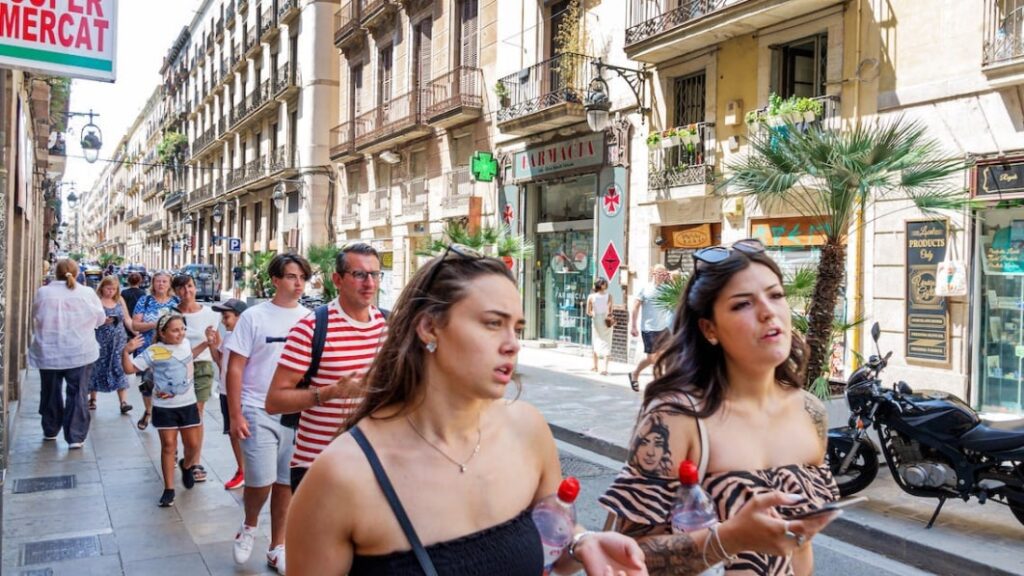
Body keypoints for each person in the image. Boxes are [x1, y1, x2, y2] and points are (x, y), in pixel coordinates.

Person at [285, 245, 646, 576]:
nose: (512, 345)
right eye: (492, 323)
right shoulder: (342, 476)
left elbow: (554, 544)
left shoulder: (527, 430)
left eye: (516, 327)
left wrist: (583, 543)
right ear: (429, 327)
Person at [599, 239, 841, 576]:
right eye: (742, 304)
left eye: (775, 295)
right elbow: (620, 555)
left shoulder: (810, 413)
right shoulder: (676, 418)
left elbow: (800, 549)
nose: (768, 311)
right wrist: (729, 538)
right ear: (709, 328)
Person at [266, 243, 388, 492]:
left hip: (375, 465)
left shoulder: (390, 325)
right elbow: (274, 401)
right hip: (320, 466)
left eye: (375, 274)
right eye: (359, 274)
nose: (370, 283)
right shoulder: (310, 329)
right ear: (337, 279)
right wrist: (331, 392)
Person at [225, 253, 313, 574]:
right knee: (260, 480)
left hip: (295, 411)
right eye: (291, 276)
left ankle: (278, 546)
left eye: (302, 277)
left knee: (285, 481)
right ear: (276, 280)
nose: (298, 283)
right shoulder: (253, 316)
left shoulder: (310, 318)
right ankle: (249, 525)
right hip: (257, 407)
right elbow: (235, 367)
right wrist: (235, 414)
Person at [122, 313, 217, 507]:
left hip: (188, 405)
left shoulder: (185, 345)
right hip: (164, 407)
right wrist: (126, 351)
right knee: (168, 446)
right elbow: (130, 369)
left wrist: (207, 343)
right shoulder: (154, 350)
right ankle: (169, 488)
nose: (180, 333)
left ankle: (187, 465)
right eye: (175, 330)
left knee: (192, 445)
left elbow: (191, 356)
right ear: (162, 333)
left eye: (182, 329)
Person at [28, 259, 107, 449]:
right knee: (78, 393)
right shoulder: (86, 293)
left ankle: (50, 428)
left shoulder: (43, 292)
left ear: (56, 272)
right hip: (79, 351)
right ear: (77, 272)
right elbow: (100, 318)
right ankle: (75, 436)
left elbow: (35, 316)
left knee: (50, 391)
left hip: (49, 352)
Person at [172, 273, 222, 483]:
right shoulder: (170, 314)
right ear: (175, 292)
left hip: (201, 367)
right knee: (177, 414)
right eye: (182, 288)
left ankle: (194, 461)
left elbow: (216, 342)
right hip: (175, 368)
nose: (187, 292)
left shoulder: (211, 313)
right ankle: (173, 448)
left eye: (190, 286)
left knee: (197, 414)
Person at [132, 271, 180, 430]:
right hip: (148, 349)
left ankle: (168, 412)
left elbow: (183, 325)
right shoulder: (144, 301)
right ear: (153, 283)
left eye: (164, 282)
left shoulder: (176, 302)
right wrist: (156, 325)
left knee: (170, 382)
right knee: (147, 383)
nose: (161, 284)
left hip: (171, 350)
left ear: (169, 284)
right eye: (158, 281)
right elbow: (135, 325)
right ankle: (148, 410)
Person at [210, 298, 249, 491]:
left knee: (243, 433)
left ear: (241, 317)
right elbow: (219, 362)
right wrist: (212, 344)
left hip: (241, 394)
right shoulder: (229, 337)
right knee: (232, 433)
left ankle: (247, 470)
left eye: (227, 317)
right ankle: (242, 469)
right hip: (226, 391)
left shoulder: (245, 338)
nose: (224, 321)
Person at [89, 275, 136, 414]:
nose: (111, 292)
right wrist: (102, 322)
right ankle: (92, 398)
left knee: (119, 367)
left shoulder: (120, 300)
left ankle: (123, 402)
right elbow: (89, 319)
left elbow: (127, 318)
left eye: (114, 289)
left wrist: (135, 331)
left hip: (118, 341)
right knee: (96, 367)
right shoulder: (96, 301)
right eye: (108, 288)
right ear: (102, 287)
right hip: (100, 340)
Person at [628, 265, 671, 392]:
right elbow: (635, 307)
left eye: (664, 273)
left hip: (663, 328)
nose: (662, 275)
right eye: (659, 273)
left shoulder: (667, 289)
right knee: (652, 358)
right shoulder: (645, 288)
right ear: (653, 273)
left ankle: (658, 382)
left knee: (661, 356)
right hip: (648, 328)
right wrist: (634, 326)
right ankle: (636, 374)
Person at [586, 278, 615, 376]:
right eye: (603, 283)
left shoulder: (591, 296)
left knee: (596, 341)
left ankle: (597, 366)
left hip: (597, 320)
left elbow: (588, 312)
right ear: (600, 285)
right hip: (605, 320)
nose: (605, 284)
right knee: (606, 342)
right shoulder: (608, 296)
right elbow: (610, 310)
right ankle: (602, 368)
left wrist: (593, 313)